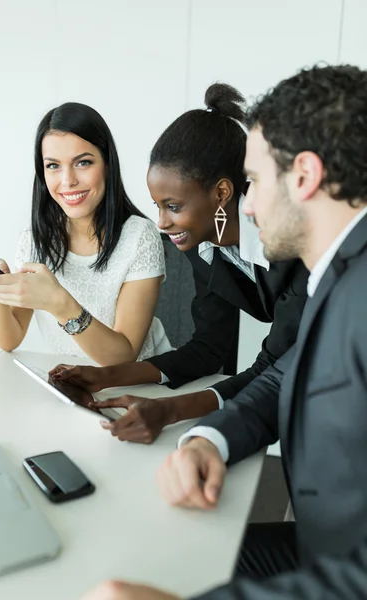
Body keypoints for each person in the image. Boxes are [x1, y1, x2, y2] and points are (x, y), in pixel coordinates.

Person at [81, 63, 367, 599]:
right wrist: (210, 437)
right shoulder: (342, 275)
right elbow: (286, 370)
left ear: (303, 176)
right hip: (321, 539)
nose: (248, 205)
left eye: (254, 182)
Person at [50, 84, 309, 444]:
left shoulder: (293, 247)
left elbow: (274, 368)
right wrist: (107, 376)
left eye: (173, 206)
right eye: (158, 205)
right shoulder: (201, 243)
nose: (161, 222)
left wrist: (171, 410)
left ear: (221, 193)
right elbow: (207, 348)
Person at [0, 102, 171, 365]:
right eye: (53, 166)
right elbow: (10, 340)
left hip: (141, 387)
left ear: (107, 164)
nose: (67, 181)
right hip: (73, 384)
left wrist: (59, 303)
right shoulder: (34, 242)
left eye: (83, 162)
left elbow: (122, 358)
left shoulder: (139, 237)